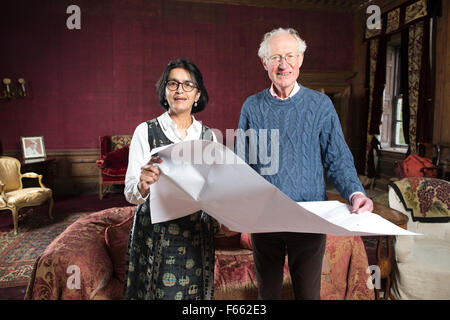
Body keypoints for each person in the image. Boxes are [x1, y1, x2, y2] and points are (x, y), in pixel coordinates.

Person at [236, 27, 374, 300]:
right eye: (275, 57)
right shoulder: (252, 106)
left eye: (289, 56)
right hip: (266, 219)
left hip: (310, 218)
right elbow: (243, 164)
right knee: (268, 295)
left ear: (300, 60)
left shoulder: (320, 105)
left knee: (308, 295)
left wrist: (356, 192)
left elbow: (337, 157)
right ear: (265, 63)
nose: (283, 64)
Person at [124, 59, 219, 300]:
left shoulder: (210, 137)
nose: (180, 90)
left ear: (197, 94)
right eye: (173, 83)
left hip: (197, 233)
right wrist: (142, 184)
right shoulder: (145, 131)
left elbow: (216, 189)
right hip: (155, 233)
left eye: (188, 85)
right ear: (164, 91)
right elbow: (130, 192)